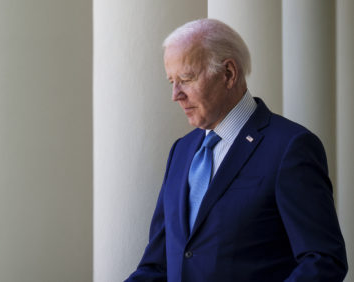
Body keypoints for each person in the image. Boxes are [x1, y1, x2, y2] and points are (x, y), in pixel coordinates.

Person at [125, 18, 348, 282]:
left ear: (228, 74)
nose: (176, 94)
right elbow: (157, 266)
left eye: (186, 78)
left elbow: (322, 260)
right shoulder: (181, 151)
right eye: (171, 81)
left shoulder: (290, 147)